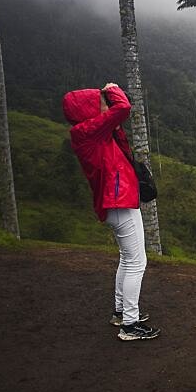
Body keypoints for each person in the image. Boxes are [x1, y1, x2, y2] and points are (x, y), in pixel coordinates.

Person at [63, 83, 160, 341]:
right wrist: (115, 89)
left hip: (116, 200)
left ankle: (121, 312)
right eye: (101, 102)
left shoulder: (92, 133)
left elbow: (120, 131)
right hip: (118, 201)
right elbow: (124, 107)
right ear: (89, 110)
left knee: (127, 260)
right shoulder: (87, 131)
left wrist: (111, 107)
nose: (107, 106)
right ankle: (130, 324)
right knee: (137, 263)